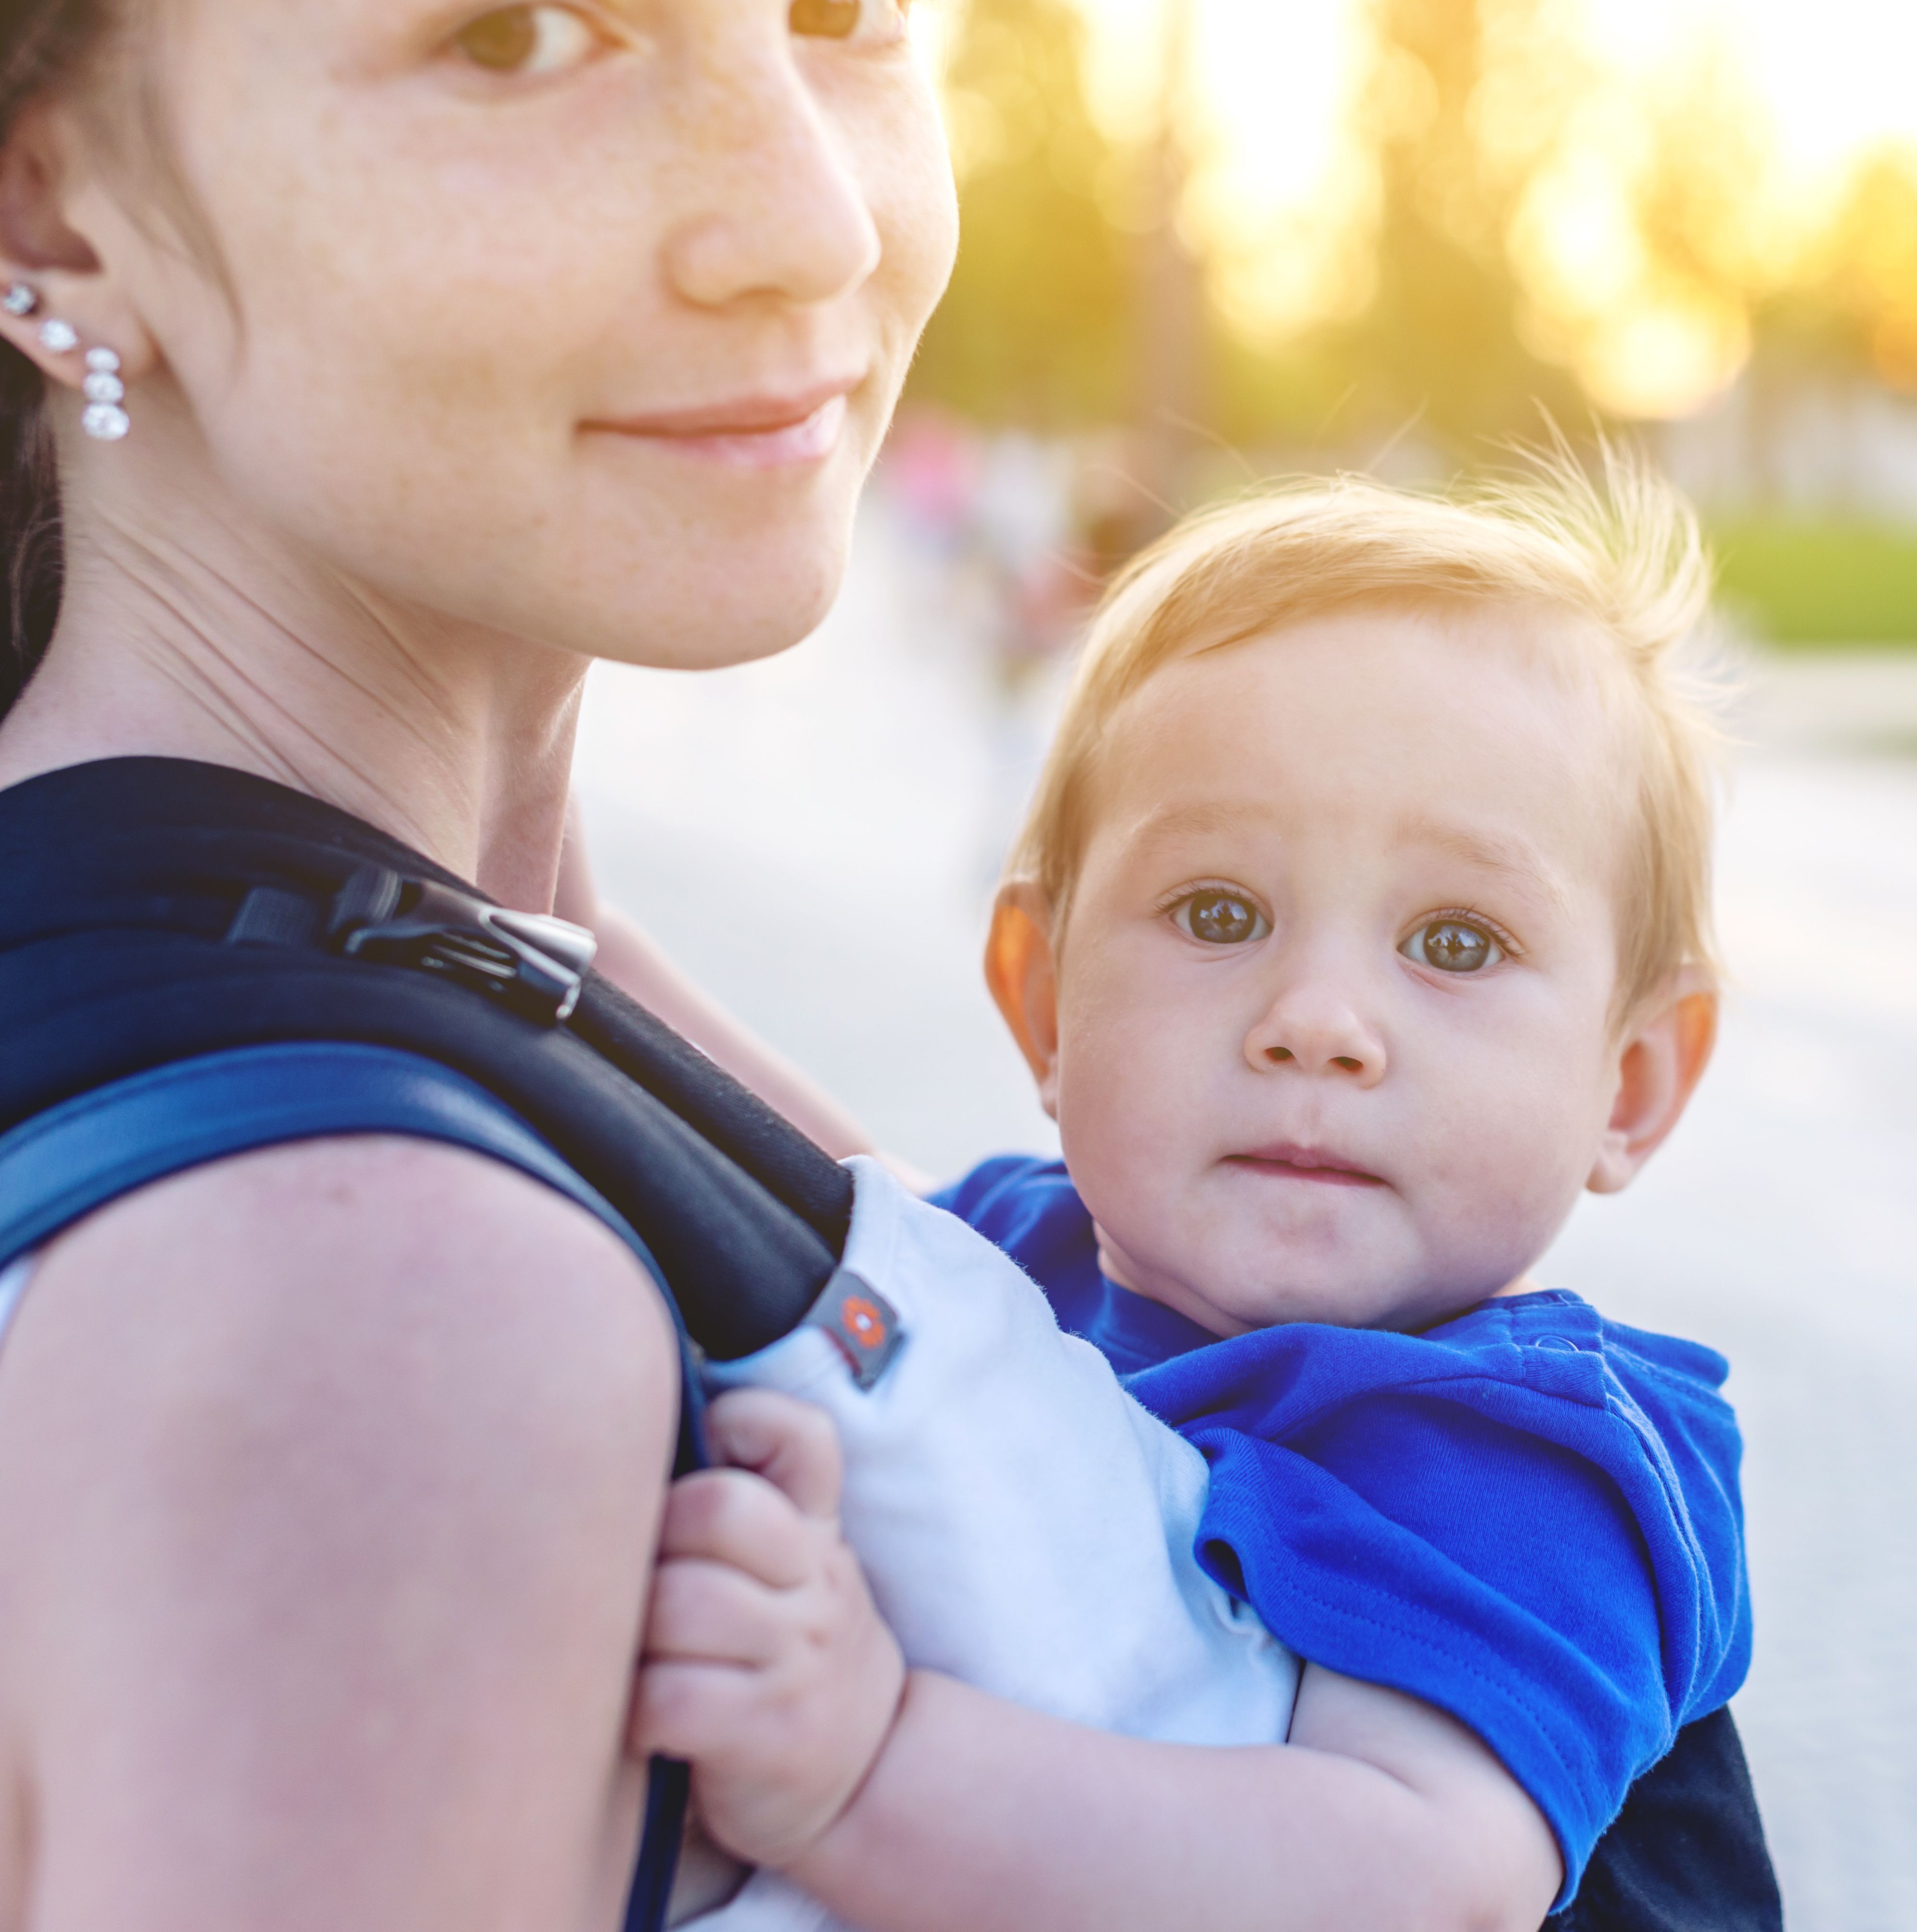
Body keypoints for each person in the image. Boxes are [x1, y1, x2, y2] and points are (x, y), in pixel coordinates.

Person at [0, 0, 958, 1922]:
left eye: (842, 15)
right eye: (520, 37)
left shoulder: (482, 1025)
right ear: (65, 223)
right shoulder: (369, 1301)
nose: (813, 219)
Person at [608, 462, 1754, 1931]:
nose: (1320, 1019)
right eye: (1220, 914)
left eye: (1456, 943)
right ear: (1044, 1001)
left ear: (1636, 1078)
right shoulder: (1041, 1247)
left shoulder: (1529, 1456)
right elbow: (840, 1218)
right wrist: (582, 969)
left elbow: (1402, 1881)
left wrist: (865, 1770)